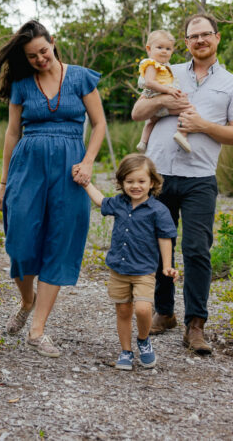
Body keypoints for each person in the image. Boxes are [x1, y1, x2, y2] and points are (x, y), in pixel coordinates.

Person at [131, 13, 233, 356]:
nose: (199, 40)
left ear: (217, 37)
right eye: (193, 36)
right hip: (159, 175)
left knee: (197, 250)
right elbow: (138, 112)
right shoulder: (167, 70)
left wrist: (201, 125)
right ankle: (165, 312)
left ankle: (195, 324)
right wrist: (165, 101)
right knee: (158, 246)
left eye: (205, 35)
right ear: (185, 43)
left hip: (200, 178)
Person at [0, 20, 106, 358]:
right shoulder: (22, 85)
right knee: (20, 242)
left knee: (61, 241)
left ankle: (38, 330)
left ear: (53, 43)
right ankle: (27, 301)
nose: (41, 59)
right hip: (28, 166)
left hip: (71, 169)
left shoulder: (81, 77)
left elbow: (98, 124)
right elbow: (12, 134)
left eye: (44, 51)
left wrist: (88, 163)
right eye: (32, 56)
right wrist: (3, 181)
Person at [82, 154, 178, 370]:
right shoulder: (119, 203)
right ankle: (125, 351)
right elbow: (100, 201)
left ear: (152, 182)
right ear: (122, 183)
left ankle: (143, 340)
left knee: (143, 309)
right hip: (119, 269)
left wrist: (167, 266)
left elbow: (165, 238)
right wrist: (86, 183)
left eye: (141, 181)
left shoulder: (158, 210)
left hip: (144, 270)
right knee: (123, 310)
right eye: (130, 181)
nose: (136, 186)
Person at [135, 30, 190, 153]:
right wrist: (169, 90)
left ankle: (143, 142)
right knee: (187, 108)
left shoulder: (166, 66)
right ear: (149, 49)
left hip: (158, 97)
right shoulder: (152, 64)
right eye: (159, 47)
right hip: (157, 95)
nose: (164, 51)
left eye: (168, 49)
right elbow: (149, 82)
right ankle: (182, 134)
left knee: (151, 122)